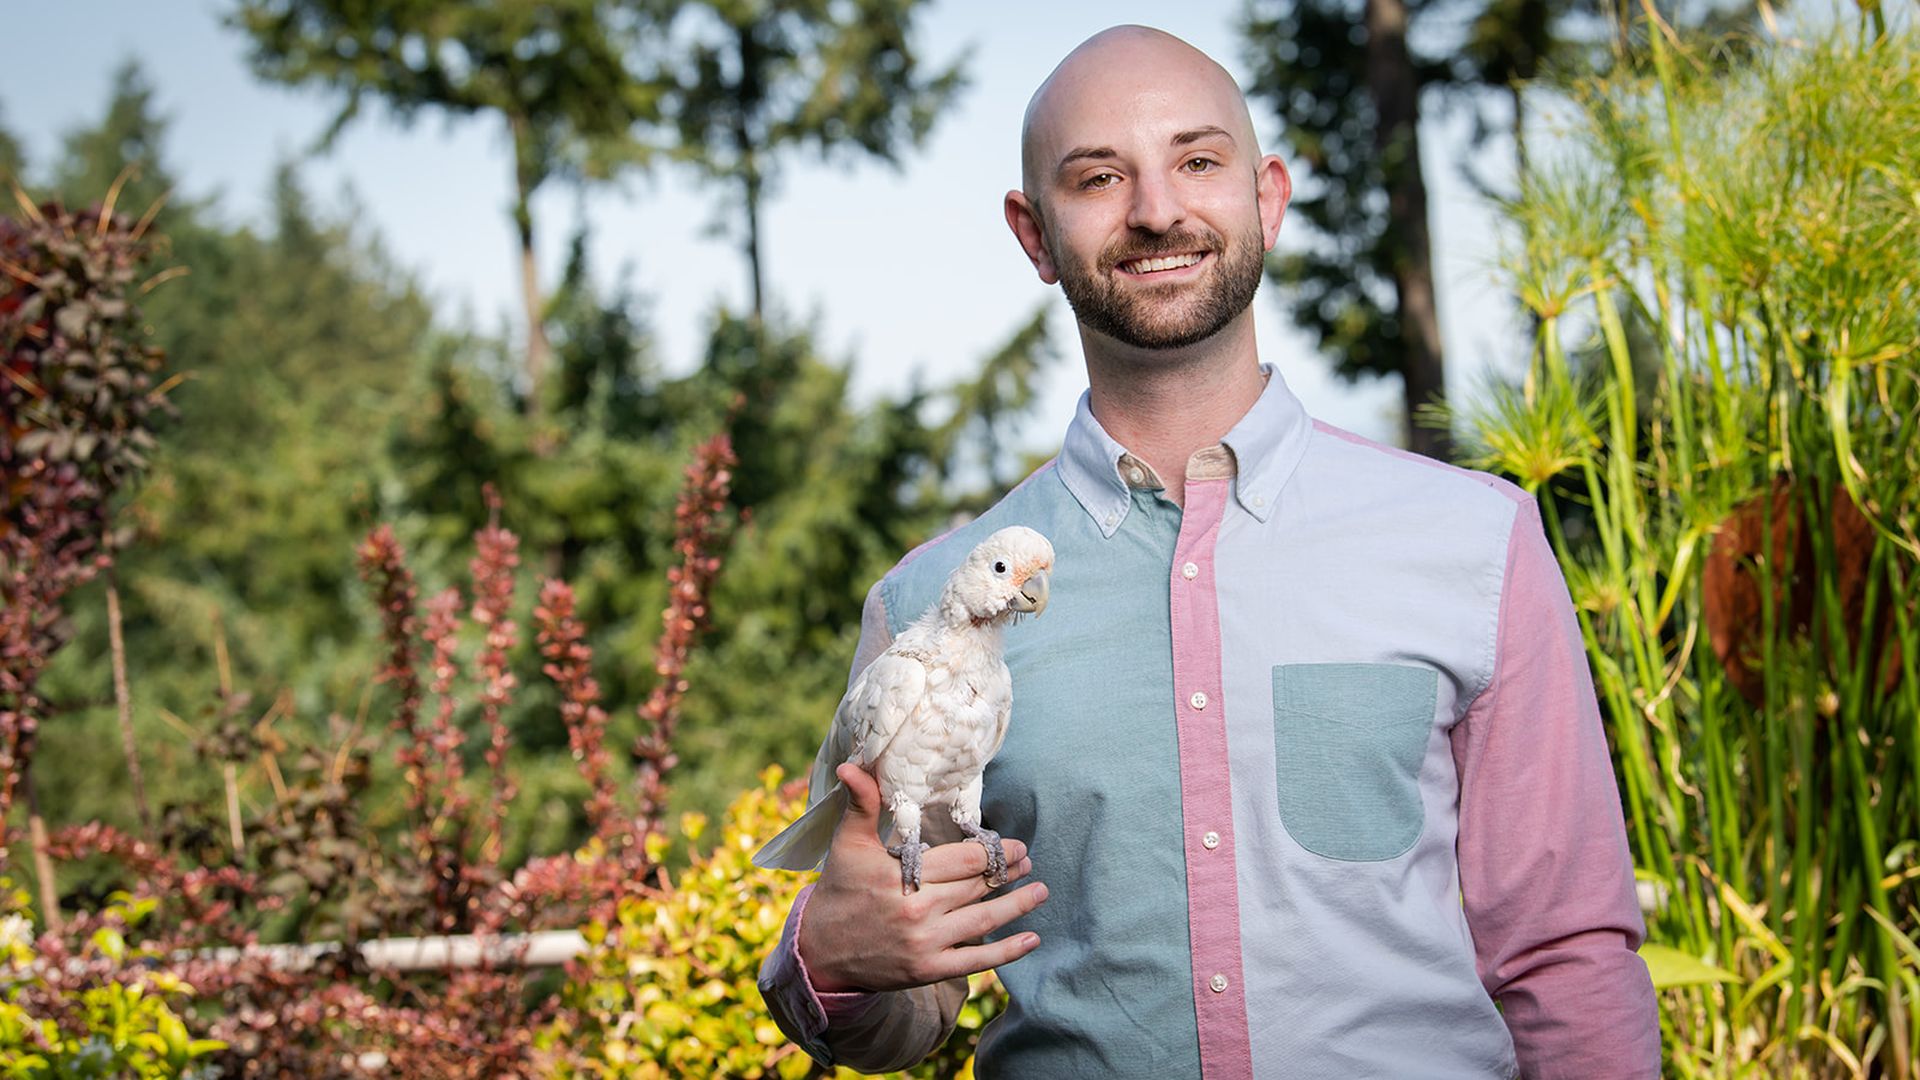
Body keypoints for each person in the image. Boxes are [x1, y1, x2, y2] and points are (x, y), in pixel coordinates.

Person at [758, 24, 1660, 1079]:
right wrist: (834, 964)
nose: (1155, 209)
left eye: (1198, 161)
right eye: (1098, 177)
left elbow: (1566, 958)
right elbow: (911, 1012)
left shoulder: (1476, 541)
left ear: (1266, 198)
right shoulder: (928, 606)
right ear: (1034, 233)